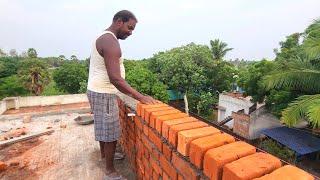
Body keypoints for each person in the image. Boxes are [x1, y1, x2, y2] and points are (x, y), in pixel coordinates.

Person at [86, 10, 157, 179]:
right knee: (110, 133)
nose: (130, 32)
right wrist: (140, 97)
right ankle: (110, 172)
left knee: (103, 126)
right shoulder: (110, 42)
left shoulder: (104, 37)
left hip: (96, 89)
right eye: (129, 27)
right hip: (104, 92)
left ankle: (105, 157)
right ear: (119, 21)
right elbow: (116, 79)